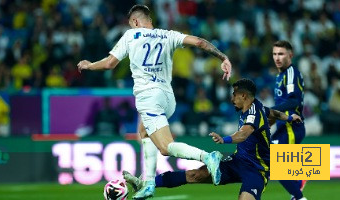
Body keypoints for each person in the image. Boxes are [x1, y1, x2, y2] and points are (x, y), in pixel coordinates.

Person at [77, 5, 232, 199]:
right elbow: (200, 42)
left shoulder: (131, 36)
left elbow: (110, 63)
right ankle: (149, 183)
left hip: (149, 97)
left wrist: (90, 65)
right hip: (168, 98)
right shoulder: (168, 35)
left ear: (134, 22)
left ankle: (207, 156)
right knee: (144, 132)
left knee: (166, 147)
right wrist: (223, 57)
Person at [123, 78, 302, 200]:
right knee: (195, 174)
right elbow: (274, 112)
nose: (232, 98)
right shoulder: (259, 107)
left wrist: (224, 140)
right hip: (238, 162)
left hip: (257, 170)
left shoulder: (254, 114)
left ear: (244, 96)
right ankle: (147, 183)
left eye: (234, 95)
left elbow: (244, 134)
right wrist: (288, 118)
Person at [271, 40, 307, 200]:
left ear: (290, 55)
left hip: (291, 126)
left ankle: (299, 196)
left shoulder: (291, 72)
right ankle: (298, 187)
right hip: (283, 127)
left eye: (281, 54)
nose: (277, 58)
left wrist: (270, 111)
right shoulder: (280, 76)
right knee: (276, 163)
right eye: (274, 54)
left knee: (275, 163)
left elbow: (294, 100)